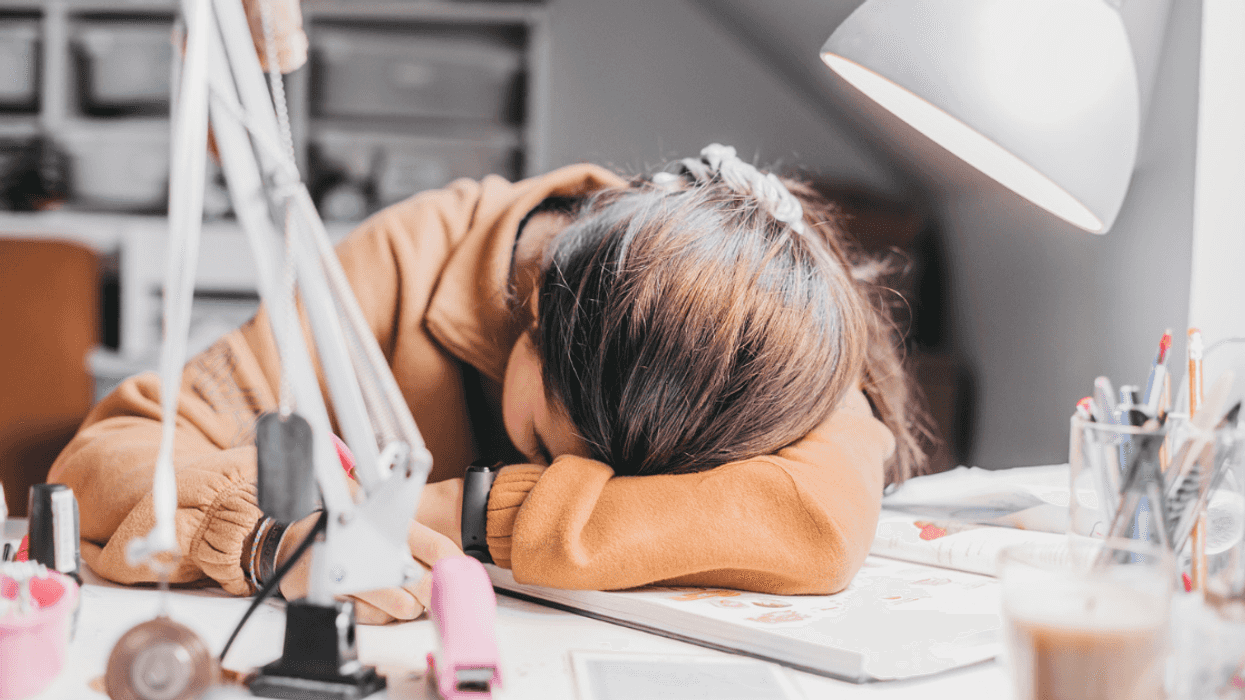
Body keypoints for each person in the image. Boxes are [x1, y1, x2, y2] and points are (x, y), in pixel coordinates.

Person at [48, 144, 931, 625]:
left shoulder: (755, 338)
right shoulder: (405, 262)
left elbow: (817, 523)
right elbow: (103, 459)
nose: (579, 477)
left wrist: (457, 516)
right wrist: (261, 529)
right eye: (552, 447)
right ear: (536, 305)